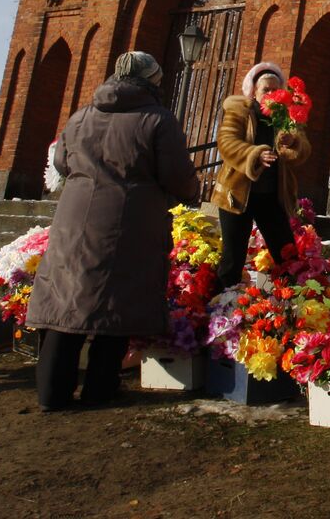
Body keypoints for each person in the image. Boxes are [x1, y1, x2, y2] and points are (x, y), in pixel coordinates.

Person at [25, 52, 198, 411]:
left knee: (65, 300)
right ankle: (100, 387)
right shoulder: (157, 119)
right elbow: (177, 176)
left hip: (74, 217)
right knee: (116, 303)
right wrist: (185, 190)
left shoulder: (81, 116)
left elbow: (60, 161)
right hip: (128, 219)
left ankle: (51, 393)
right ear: (150, 80)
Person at [209, 61, 312, 288]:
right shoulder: (239, 110)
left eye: (276, 90)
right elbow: (226, 143)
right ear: (254, 92)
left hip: (271, 196)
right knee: (233, 259)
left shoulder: (285, 116)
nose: (271, 94)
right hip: (237, 194)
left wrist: (292, 142)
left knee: (287, 255)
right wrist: (256, 155)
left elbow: (303, 150)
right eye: (266, 89)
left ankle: (291, 305)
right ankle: (220, 307)